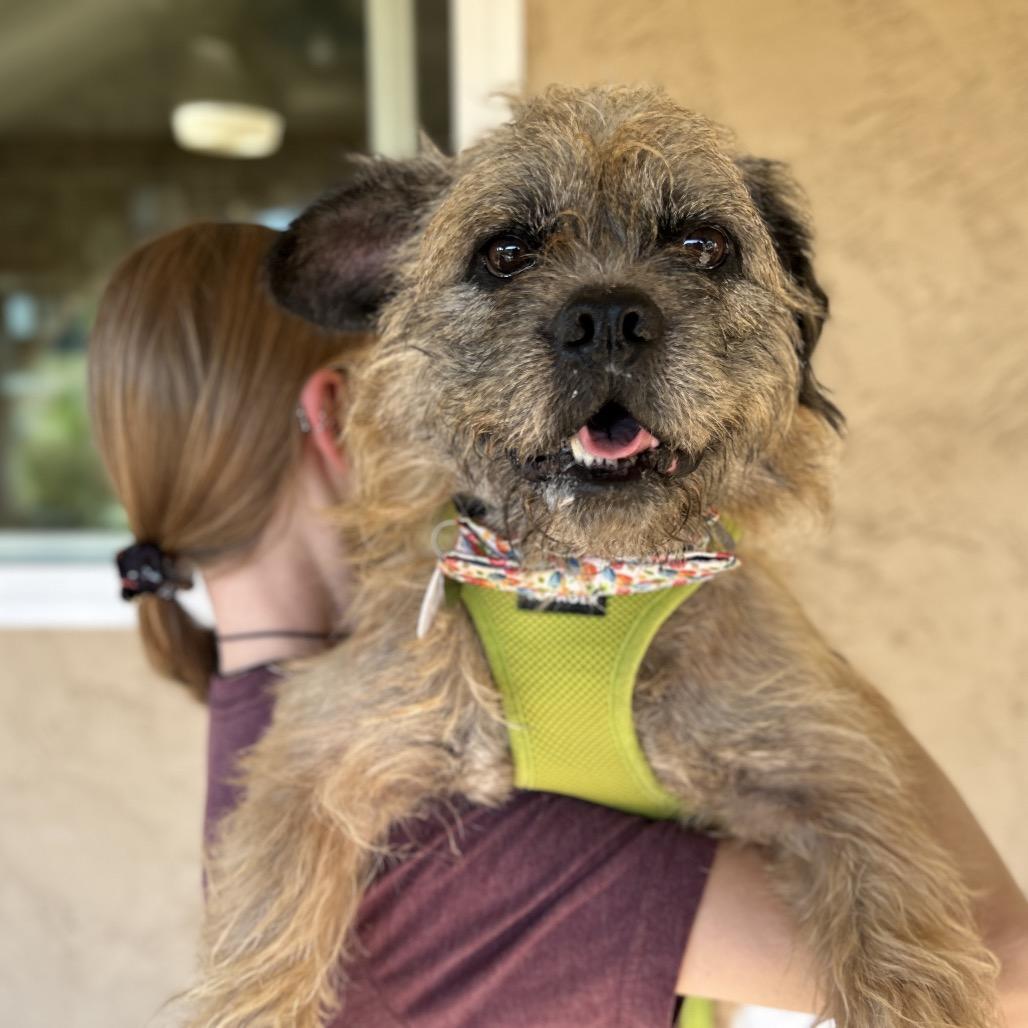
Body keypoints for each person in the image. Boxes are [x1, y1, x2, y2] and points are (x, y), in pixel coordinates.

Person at [88, 222, 1028, 1027]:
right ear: (344, 414)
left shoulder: (287, 725)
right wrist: (769, 636)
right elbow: (997, 969)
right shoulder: (383, 817)